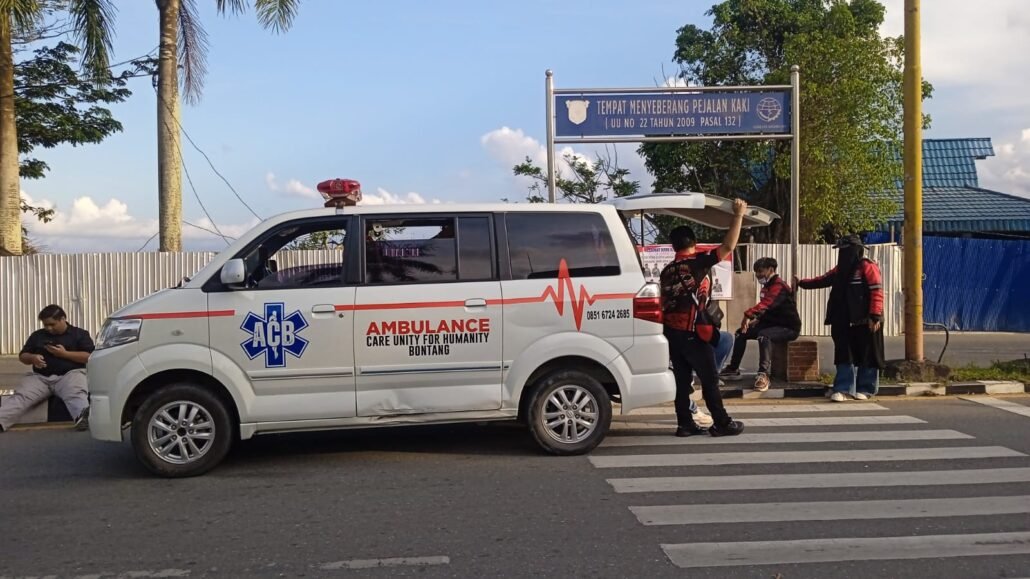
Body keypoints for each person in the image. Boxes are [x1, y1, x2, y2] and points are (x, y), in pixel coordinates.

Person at [659, 199, 747, 437]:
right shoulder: (697, 263)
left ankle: (685, 424)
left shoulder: (666, 271)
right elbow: (728, 246)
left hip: (672, 334)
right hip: (693, 333)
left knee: (681, 381)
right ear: (694, 243)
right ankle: (722, 423)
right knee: (710, 379)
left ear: (673, 246)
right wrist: (738, 215)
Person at [794, 235, 884, 402]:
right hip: (842, 318)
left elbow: (876, 291)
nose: (843, 254)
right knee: (844, 353)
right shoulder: (840, 270)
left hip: (866, 320)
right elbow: (822, 280)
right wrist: (802, 283)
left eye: (846, 251)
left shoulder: (867, 267)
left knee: (868, 354)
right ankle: (843, 388)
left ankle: (866, 388)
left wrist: (875, 316)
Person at [0, 305, 93, 432]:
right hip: (40, 378)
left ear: (63, 319)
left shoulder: (79, 334)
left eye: (52, 324)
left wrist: (65, 354)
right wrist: (32, 358)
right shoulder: (37, 335)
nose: (49, 328)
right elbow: (23, 356)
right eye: (45, 325)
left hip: (69, 375)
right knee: (21, 397)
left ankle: (82, 418)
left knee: (76, 393)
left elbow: (89, 357)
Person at [721, 257, 802, 392]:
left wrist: (748, 315)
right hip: (771, 324)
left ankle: (763, 375)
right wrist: (757, 319)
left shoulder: (778, 286)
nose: (758, 275)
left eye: (760, 271)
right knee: (741, 332)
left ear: (771, 269)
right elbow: (768, 309)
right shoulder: (767, 287)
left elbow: (766, 304)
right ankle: (733, 369)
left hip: (788, 327)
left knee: (764, 336)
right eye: (756, 272)